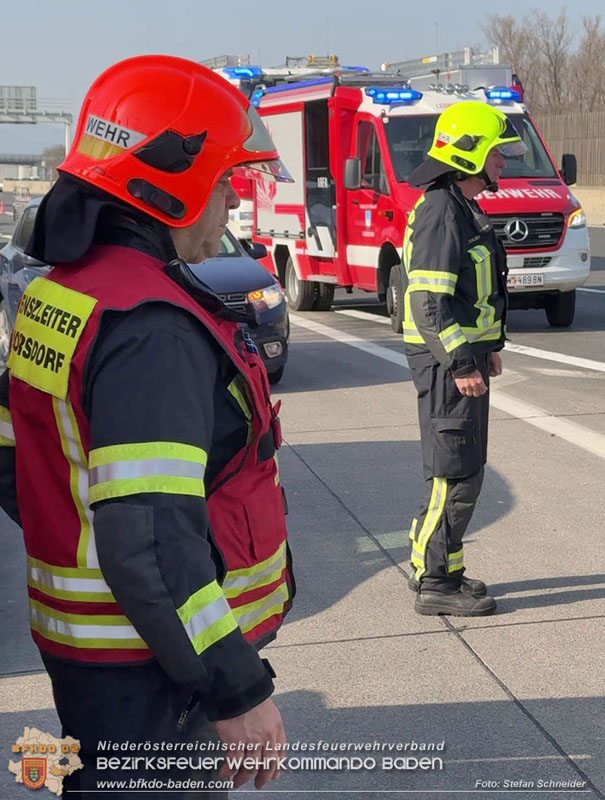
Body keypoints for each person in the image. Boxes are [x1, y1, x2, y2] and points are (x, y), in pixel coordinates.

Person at [0, 55, 296, 798]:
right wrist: (235, 689)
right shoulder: (150, 332)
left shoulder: (63, 294)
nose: (233, 197)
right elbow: (154, 546)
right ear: (171, 180)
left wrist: (85, 537)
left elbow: (17, 459)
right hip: (152, 672)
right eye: (225, 177)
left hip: (97, 652)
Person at [402, 101, 527, 617]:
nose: (504, 161)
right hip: (445, 363)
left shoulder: (459, 205)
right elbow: (428, 302)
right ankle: (435, 583)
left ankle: (442, 569)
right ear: (471, 153)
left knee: (462, 470)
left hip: (461, 357)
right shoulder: (442, 210)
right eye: (498, 153)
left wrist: (488, 348)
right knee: (455, 474)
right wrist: (463, 363)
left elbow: (467, 293)